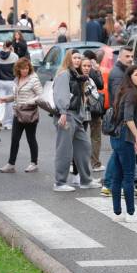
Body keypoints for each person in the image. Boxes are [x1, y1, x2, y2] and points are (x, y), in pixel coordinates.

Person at [52, 50, 101, 192]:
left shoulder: (76, 75)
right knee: (64, 150)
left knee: (84, 147)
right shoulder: (64, 74)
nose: (78, 60)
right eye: (75, 57)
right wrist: (63, 112)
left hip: (76, 117)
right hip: (66, 115)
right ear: (68, 58)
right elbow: (61, 95)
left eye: (79, 57)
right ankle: (59, 183)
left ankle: (86, 180)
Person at [109, 65, 137, 222]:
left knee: (117, 176)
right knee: (128, 177)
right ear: (130, 77)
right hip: (125, 138)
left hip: (116, 137)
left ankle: (117, 213)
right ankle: (131, 214)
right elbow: (128, 118)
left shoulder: (123, 91)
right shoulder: (132, 94)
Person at [0, 58, 42, 173]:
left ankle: (34, 163)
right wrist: (6, 99)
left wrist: (29, 102)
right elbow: (15, 96)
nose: (25, 70)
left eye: (27, 68)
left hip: (29, 113)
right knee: (14, 139)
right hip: (18, 113)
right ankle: (11, 164)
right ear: (18, 69)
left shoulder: (34, 79)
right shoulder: (17, 79)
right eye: (22, 68)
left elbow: (41, 95)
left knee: (31, 138)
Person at [82, 51, 105, 172]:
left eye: (88, 66)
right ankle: (76, 163)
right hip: (83, 112)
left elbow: (100, 85)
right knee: (80, 138)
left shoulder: (90, 77)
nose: (87, 68)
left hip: (92, 111)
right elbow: (99, 86)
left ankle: (95, 163)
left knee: (94, 136)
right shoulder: (80, 78)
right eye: (84, 66)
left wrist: (97, 71)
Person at [0, 40, 19, 130]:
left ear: (3, 46)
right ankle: (8, 123)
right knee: (10, 103)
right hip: (11, 82)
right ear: (11, 46)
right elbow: (17, 69)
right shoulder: (15, 56)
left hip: (0, 81)